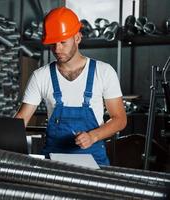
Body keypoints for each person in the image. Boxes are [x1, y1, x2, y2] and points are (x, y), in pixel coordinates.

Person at [15, 7, 127, 165]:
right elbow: (21, 121)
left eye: (63, 42)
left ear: (77, 38)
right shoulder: (41, 76)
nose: (57, 49)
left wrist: (93, 136)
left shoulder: (104, 72)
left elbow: (120, 119)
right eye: (53, 43)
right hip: (53, 162)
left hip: (94, 161)